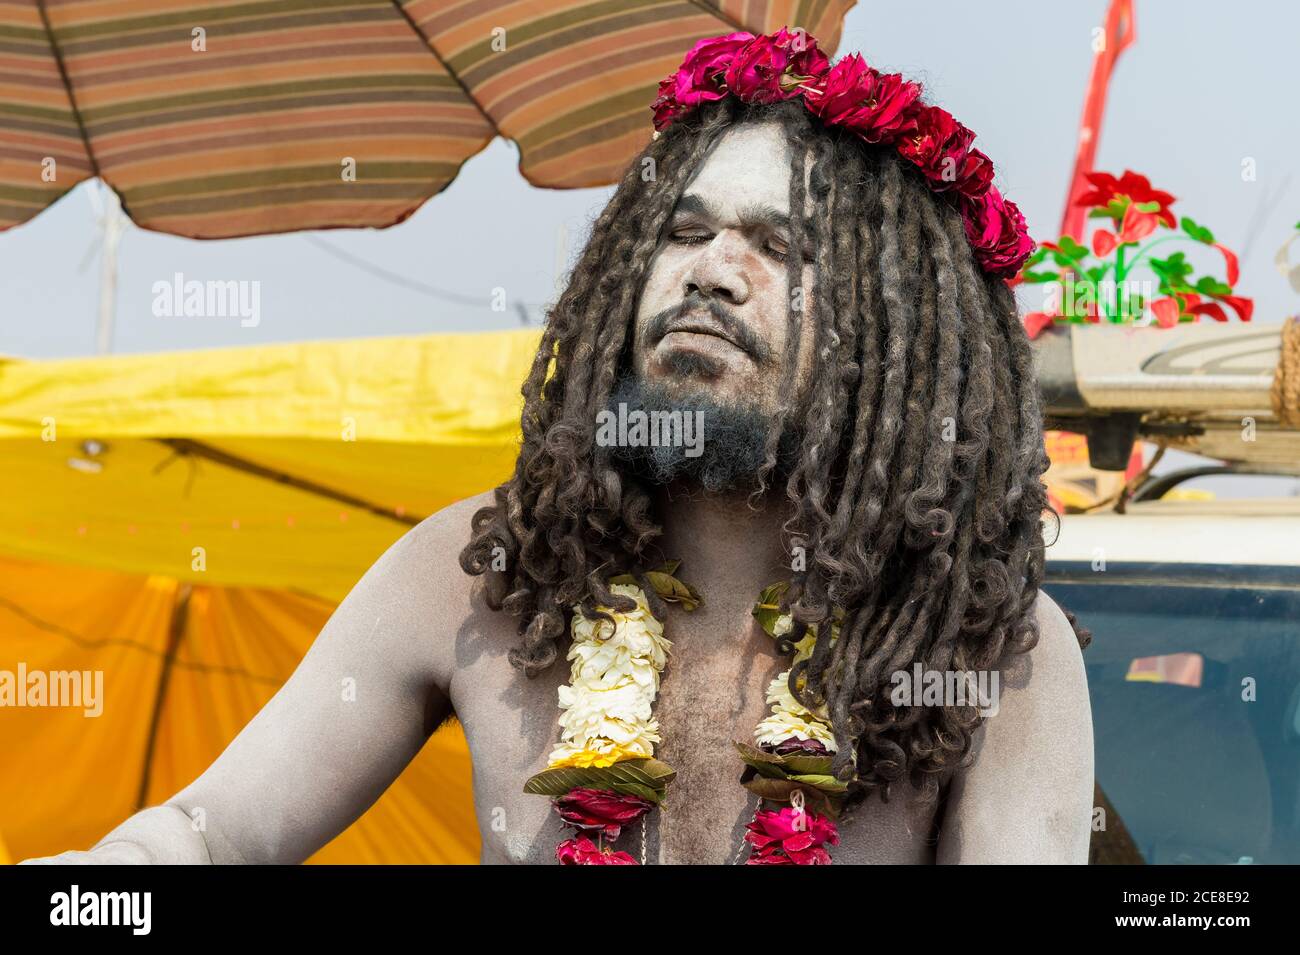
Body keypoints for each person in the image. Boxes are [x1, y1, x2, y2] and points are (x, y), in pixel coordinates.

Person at [24, 29, 1093, 866]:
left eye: (779, 246)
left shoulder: (986, 645)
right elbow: (210, 837)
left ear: (891, 329)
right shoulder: (480, 578)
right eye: (681, 231)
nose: (709, 271)